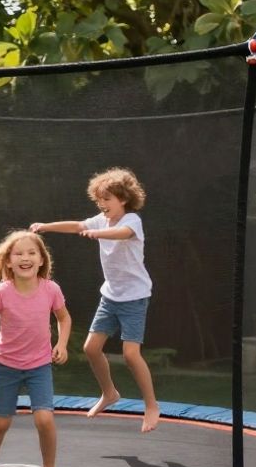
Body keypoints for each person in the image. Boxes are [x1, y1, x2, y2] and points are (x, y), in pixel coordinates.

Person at [30, 167, 161, 432]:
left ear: (123, 199)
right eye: (99, 200)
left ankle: (151, 406)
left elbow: (122, 234)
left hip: (135, 298)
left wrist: (98, 234)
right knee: (91, 348)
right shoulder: (101, 220)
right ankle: (109, 393)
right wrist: (46, 227)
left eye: (107, 199)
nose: (102, 205)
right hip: (110, 296)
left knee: (130, 354)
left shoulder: (132, 221)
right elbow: (78, 225)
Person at [0, 230, 71, 467]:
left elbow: (64, 318)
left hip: (39, 365)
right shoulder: (1, 293)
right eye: (19, 254)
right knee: (1, 422)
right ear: (9, 262)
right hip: (7, 366)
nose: (25, 258)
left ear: (41, 259)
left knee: (45, 419)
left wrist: (61, 344)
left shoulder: (51, 289)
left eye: (31, 253)